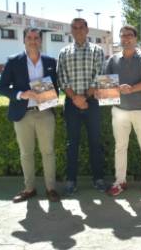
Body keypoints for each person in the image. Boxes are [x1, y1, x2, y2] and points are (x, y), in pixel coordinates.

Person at [0, 27, 60, 202]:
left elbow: (55, 86)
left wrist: (49, 96)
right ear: (24, 40)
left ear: (40, 41)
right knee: (26, 153)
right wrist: (21, 94)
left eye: (36, 38)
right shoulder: (13, 61)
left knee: (48, 152)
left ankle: (51, 188)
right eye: (29, 37)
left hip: (45, 113)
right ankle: (29, 188)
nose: (33, 40)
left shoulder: (50, 61)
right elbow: (2, 87)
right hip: (22, 114)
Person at [102, 25, 141, 197]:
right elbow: (106, 84)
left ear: (135, 38)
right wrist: (115, 88)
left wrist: (131, 89)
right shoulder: (112, 60)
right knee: (120, 147)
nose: (126, 38)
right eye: (123, 35)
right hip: (119, 110)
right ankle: (120, 181)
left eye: (129, 35)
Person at [57, 18, 106, 195]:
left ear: (87, 30)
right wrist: (75, 98)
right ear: (71, 30)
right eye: (74, 28)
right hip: (71, 103)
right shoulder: (63, 52)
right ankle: (71, 180)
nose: (78, 30)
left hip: (91, 102)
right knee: (72, 144)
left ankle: (98, 179)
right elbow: (62, 78)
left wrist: (84, 97)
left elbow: (99, 76)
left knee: (95, 142)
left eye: (81, 27)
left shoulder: (97, 50)